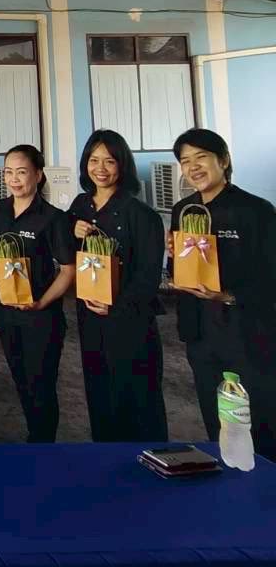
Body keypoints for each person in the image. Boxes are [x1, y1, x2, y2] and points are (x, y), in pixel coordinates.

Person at [168, 128, 276, 459]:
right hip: (200, 332)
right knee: (214, 414)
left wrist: (227, 295)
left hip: (247, 331)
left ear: (224, 160)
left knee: (257, 417)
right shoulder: (183, 209)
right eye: (185, 161)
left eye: (201, 157)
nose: (193, 167)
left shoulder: (256, 210)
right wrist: (173, 257)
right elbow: (180, 270)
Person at [68, 128, 168, 443]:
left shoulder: (142, 215)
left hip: (130, 321)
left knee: (138, 397)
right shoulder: (80, 206)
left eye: (109, 161)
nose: (100, 168)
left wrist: (116, 305)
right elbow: (65, 255)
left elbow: (149, 277)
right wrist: (71, 232)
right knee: (99, 392)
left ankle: (150, 460)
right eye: (94, 160)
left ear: (122, 165)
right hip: (90, 318)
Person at [0, 145, 75, 443]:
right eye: (8, 172)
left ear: (38, 175)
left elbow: (68, 270)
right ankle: (33, 436)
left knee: (41, 384)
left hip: (41, 318)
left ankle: (43, 444)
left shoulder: (52, 218)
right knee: (21, 379)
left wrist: (42, 302)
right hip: (5, 311)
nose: (14, 179)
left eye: (22, 172)